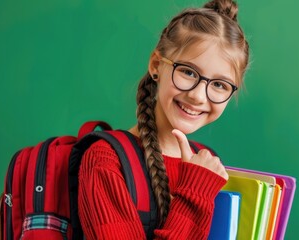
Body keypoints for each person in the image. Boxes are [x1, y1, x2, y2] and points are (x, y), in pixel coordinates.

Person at [77, 0, 250, 239]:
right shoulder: (105, 159)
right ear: (156, 65)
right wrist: (195, 191)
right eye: (188, 72)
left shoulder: (208, 163)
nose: (198, 96)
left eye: (219, 85)